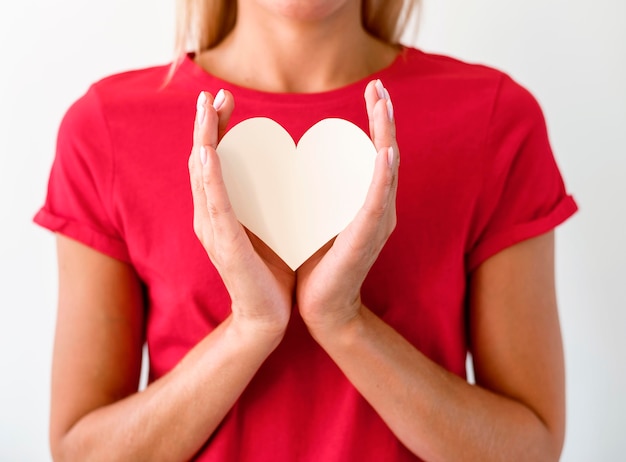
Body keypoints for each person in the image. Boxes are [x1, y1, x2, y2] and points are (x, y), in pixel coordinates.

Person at [35, 0, 577, 460]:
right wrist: (249, 327)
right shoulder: (104, 129)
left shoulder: (494, 119)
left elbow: (529, 445)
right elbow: (83, 449)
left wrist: (345, 323)